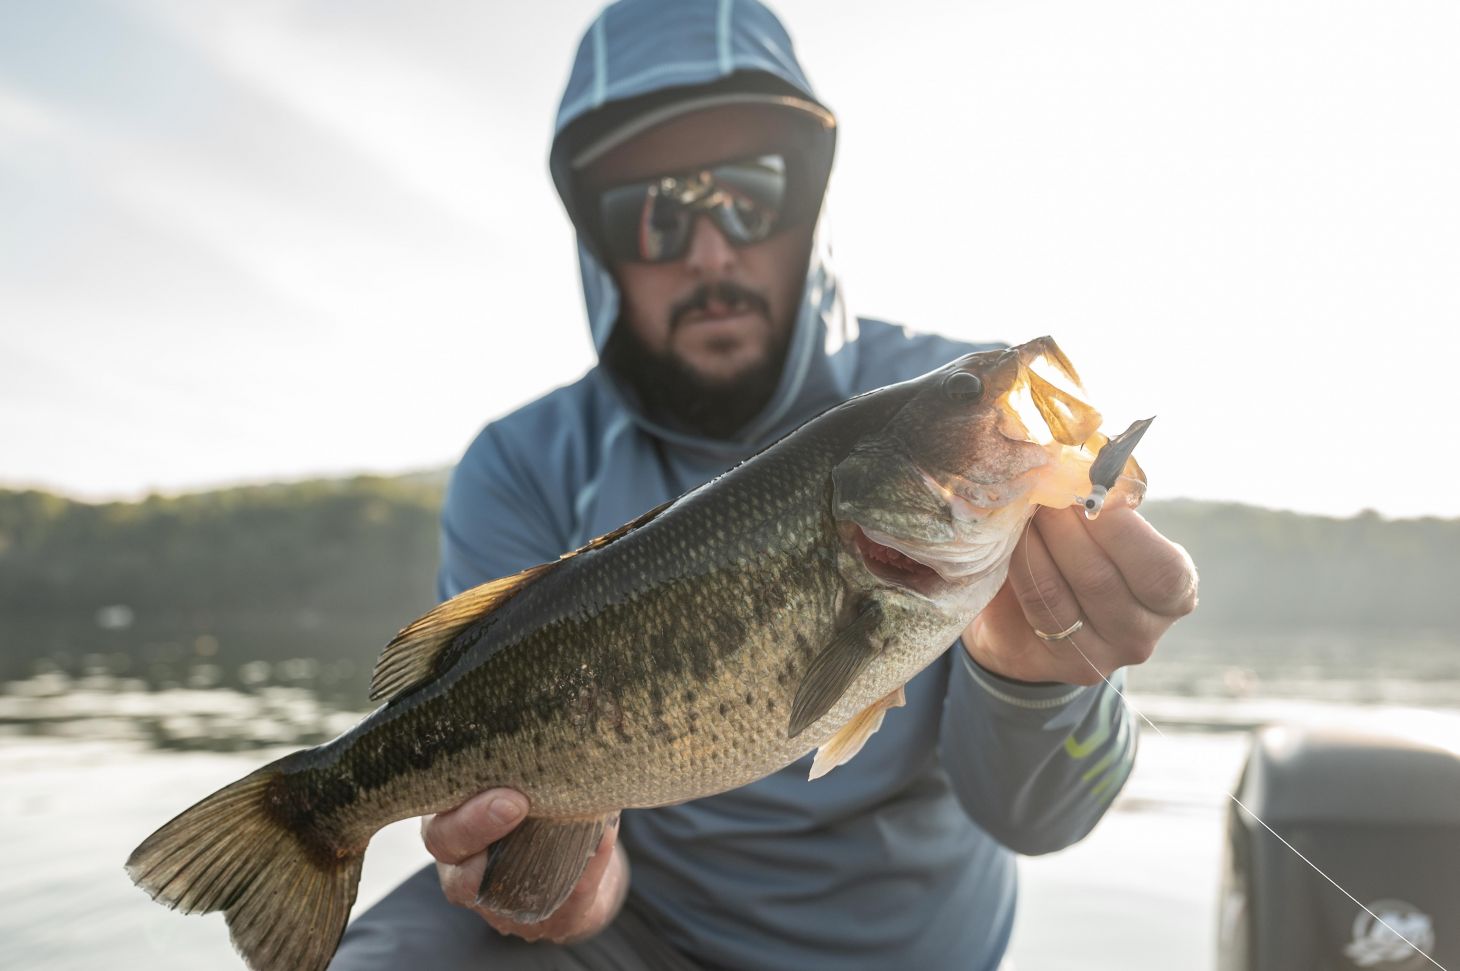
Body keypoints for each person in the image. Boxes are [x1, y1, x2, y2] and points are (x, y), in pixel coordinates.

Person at [330, 1, 1197, 968]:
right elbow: (559, 870)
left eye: (750, 191)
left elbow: (1037, 821)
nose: (711, 250)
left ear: (810, 200)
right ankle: (311, 821)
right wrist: (565, 889)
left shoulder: (943, 410)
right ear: (598, 244)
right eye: (653, 213)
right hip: (633, 942)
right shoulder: (523, 464)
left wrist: (1042, 675)